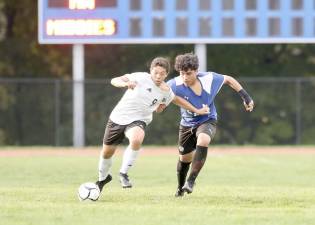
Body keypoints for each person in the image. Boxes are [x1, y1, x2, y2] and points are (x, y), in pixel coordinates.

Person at [95, 57, 209, 195]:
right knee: (107, 153)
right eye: (156, 72)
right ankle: (103, 179)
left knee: (137, 138)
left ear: (166, 74)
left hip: (139, 120)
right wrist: (125, 84)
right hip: (117, 118)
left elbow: (176, 100)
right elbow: (114, 80)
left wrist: (196, 110)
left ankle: (123, 173)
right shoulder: (140, 77)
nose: (158, 76)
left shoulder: (166, 90)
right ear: (150, 71)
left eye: (162, 73)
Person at [167, 53, 254, 197]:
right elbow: (161, 94)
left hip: (207, 119)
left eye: (188, 74)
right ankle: (180, 187)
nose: (185, 77)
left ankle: (191, 181)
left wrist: (246, 97)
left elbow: (228, 79)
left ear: (196, 71)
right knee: (185, 159)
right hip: (187, 124)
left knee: (204, 139)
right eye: (182, 73)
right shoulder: (174, 85)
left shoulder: (209, 78)